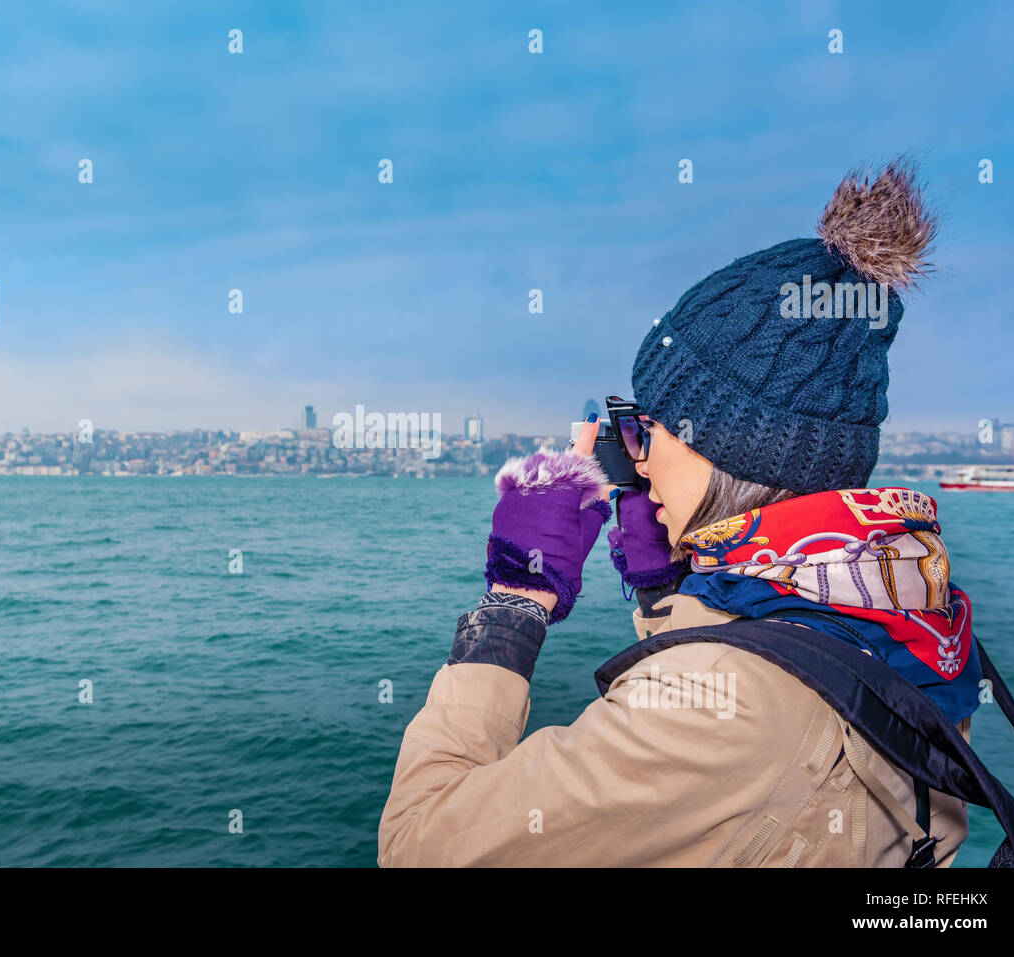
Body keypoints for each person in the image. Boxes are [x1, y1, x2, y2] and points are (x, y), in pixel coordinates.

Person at [378, 159, 980, 867]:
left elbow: (419, 844)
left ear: (720, 450)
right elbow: (766, 808)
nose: (634, 455)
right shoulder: (918, 611)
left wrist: (514, 603)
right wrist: (673, 587)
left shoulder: (713, 711)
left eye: (648, 428)